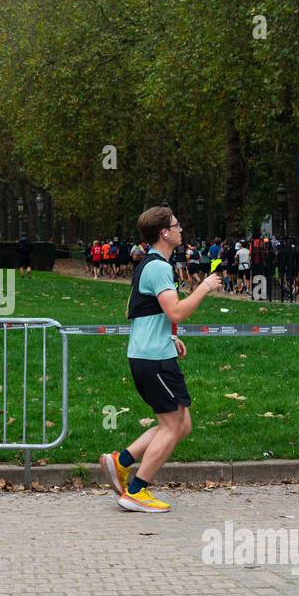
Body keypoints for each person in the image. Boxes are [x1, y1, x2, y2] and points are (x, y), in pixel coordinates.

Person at [98, 206, 223, 512]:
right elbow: (176, 311)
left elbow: (139, 312)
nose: (181, 230)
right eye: (177, 225)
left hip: (152, 354)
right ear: (164, 233)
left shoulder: (152, 265)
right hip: (152, 360)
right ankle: (136, 491)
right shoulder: (157, 267)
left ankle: (121, 461)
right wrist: (204, 287)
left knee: (181, 424)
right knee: (173, 424)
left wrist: (169, 337)